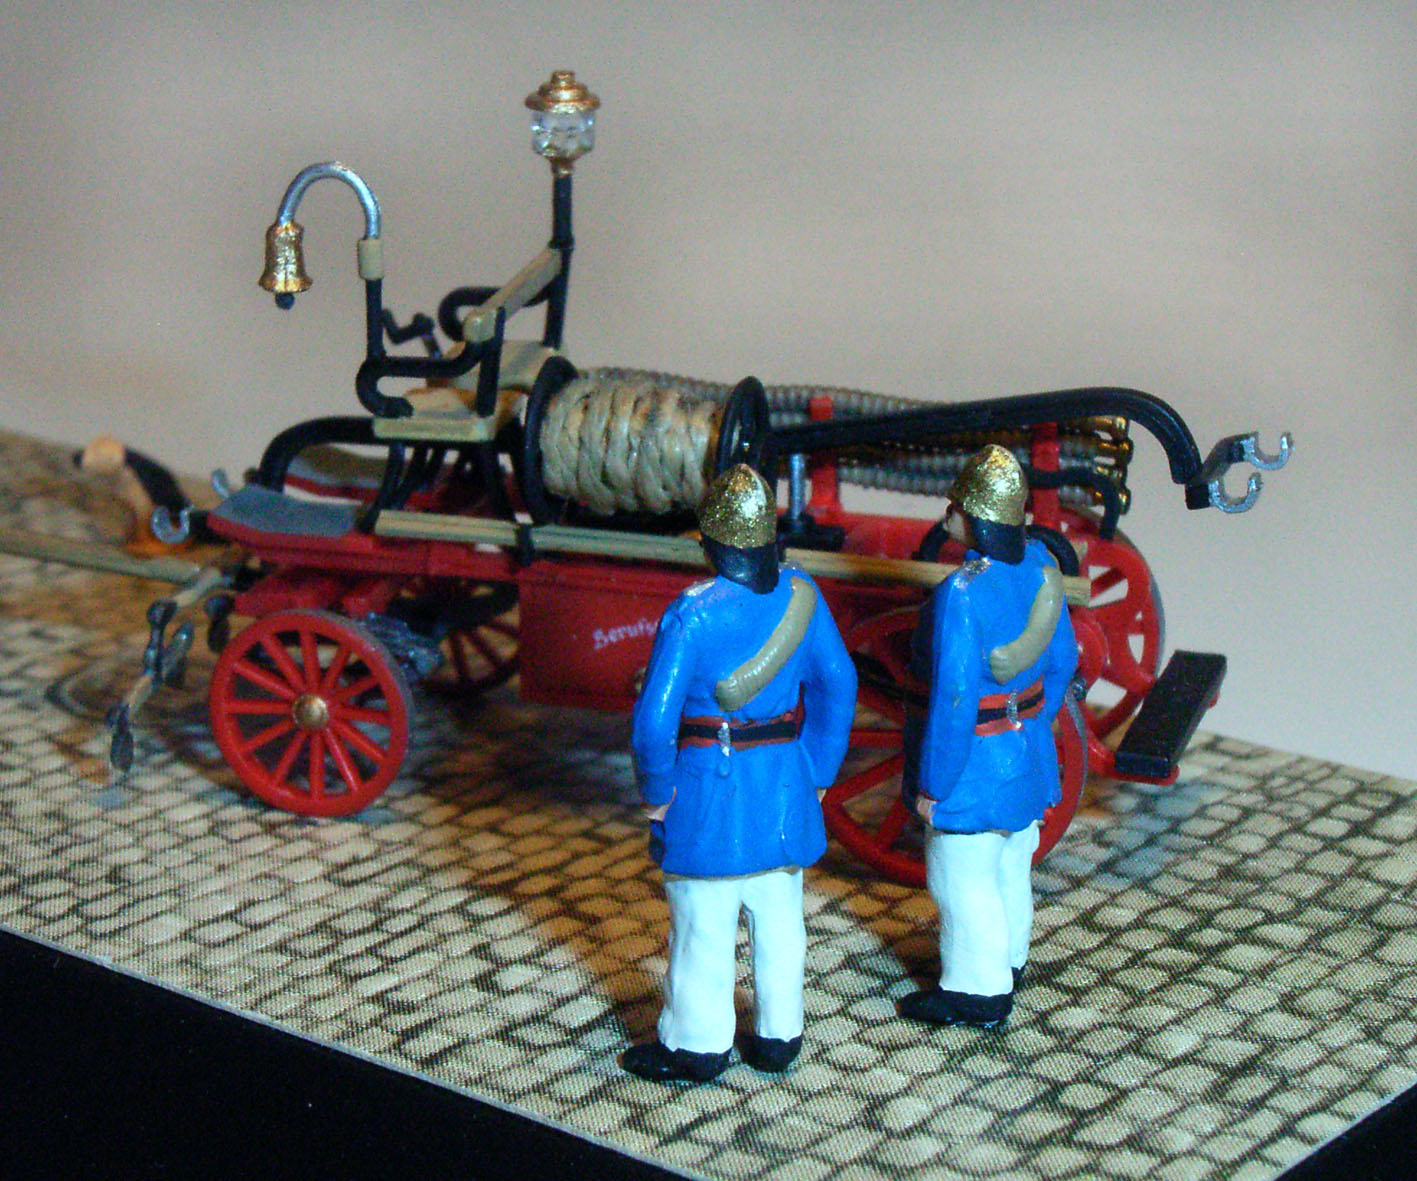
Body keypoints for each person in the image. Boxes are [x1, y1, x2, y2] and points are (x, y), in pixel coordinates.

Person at [624, 463, 857, 1083]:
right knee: (780, 918)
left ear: (712, 544)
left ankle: (697, 1046)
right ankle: (780, 1035)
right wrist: (818, 769)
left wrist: (656, 791)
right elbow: (838, 682)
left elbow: (654, 722)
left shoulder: (693, 613)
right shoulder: (803, 593)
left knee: (705, 921)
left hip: (709, 786)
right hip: (784, 780)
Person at [902, 444, 1078, 1029]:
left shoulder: (963, 591)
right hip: (1027, 751)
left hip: (973, 764)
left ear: (974, 517)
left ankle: (977, 993)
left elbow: (953, 699)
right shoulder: (1041, 569)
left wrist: (934, 784)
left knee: (961, 878)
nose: (948, 513)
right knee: (1011, 865)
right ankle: (1011, 960)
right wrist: (1032, 723)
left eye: (956, 505)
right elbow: (1063, 661)